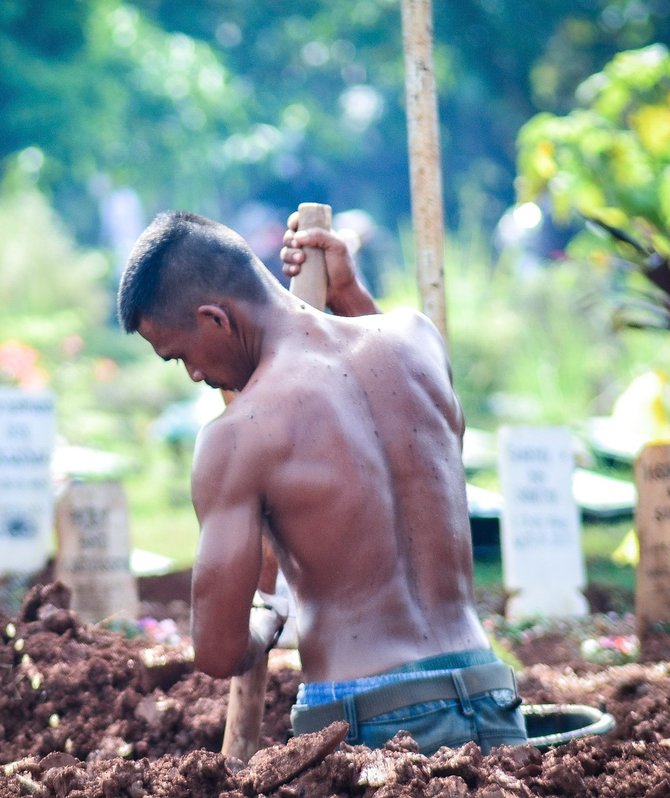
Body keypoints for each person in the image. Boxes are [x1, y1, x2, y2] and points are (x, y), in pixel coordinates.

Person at [117, 208, 527, 755]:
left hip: (370, 726)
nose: (194, 375)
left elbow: (217, 652)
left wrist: (268, 617)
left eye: (179, 356)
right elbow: (419, 445)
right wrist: (350, 291)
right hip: (490, 696)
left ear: (217, 319)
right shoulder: (417, 341)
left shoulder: (237, 438)